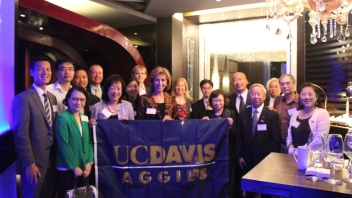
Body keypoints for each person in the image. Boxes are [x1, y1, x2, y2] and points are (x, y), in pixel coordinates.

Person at [12, 55, 58, 198]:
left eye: (48, 69)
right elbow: (21, 135)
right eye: (40, 69)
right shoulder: (22, 99)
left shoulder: (52, 97)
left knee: (47, 194)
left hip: (52, 158)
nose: (45, 72)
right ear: (31, 72)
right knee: (32, 195)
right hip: (35, 162)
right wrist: (29, 163)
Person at [236, 83, 281, 198]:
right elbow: (239, 136)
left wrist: (273, 158)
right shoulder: (243, 113)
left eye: (258, 94)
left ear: (264, 96)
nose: (256, 96)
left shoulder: (272, 115)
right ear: (249, 96)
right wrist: (239, 155)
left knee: (266, 190)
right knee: (249, 189)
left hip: (265, 158)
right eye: (253, 94)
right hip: (247, 157)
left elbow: (275, 140)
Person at [55, 86, 94, 198]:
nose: (79, 102)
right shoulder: (63, 118)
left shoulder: (84, 117)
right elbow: (63, 145)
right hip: (67, 167)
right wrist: (74, 166)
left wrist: (89, 163)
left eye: (82, 100)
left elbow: (89, 142)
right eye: (75, 99)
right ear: (68, 100)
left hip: (84, 167)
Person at [202, 89, 236, 197]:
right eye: (215, 100)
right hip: (212, 153)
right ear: (211, 101)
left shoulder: (231, 113)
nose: (218, 103)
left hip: (227, 152)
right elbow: (203, 135)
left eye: (220, 100)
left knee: (228, 177)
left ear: (224, 101)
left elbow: (236, 134)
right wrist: (204, 124)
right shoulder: (208, 114)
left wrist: (230, 126)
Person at [286, 82, 330, 155]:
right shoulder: (295, 114)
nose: (307, 97)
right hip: (294, 156)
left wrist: (300, 151)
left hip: (315, 158)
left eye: (310, 94)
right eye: (303, 94)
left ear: (316, 97)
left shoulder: (322, 113)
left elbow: (319, 140)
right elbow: (289, 136)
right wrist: (291, 149)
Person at [274, 74, 300, 153]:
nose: (285, 86)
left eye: (288, 83)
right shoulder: (278, 100)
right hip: (280, 144)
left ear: (294, 84)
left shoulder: (301, 101)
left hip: (296, 144)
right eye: (282, 84)